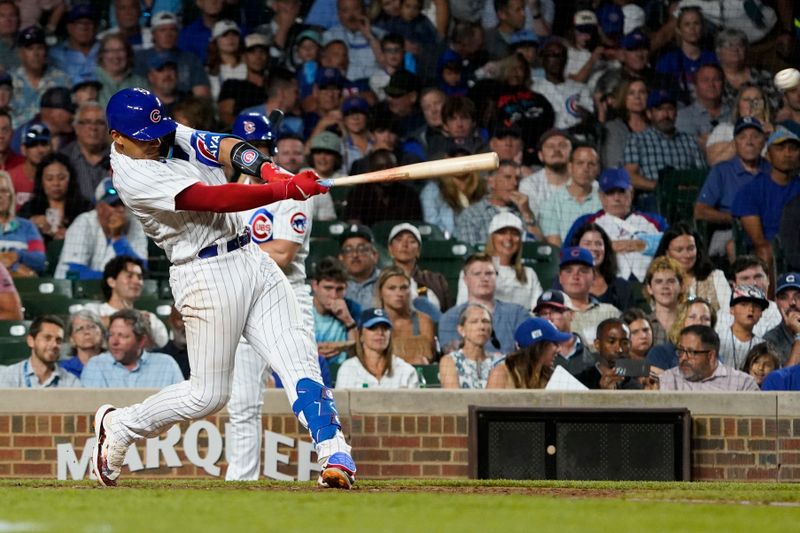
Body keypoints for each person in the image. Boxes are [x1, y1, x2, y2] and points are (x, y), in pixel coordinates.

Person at [90, 87, 354, 490]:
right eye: (144, 137)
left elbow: (219, 144)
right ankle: (121, 424)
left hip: (251, 257)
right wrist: (282, 190)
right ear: (117, 138)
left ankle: (335, 453)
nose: (155, 140)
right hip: (204, 275)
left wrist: (267, 170)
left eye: (156, 130)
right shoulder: (132, 175)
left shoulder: (158, 131)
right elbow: (213, 198)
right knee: (208, 396)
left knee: (300, 363)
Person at [226, 114, 323, 481]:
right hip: (242, 300)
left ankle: (333, 459)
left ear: (272, 149)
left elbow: (281, 254)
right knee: (243, 402)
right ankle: (241, 482)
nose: (251, 154)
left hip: (285, 298)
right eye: (244, 147)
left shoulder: (290, 189)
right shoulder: (225, 190)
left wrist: (228, 254)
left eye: (260, 148)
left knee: (307, 386)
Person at [565, 168, 666, 283]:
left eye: (621, 192)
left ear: (631, 193)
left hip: (650, 285)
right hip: (605, 286)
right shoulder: (586, 222)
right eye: (610, 193)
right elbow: (567, 254)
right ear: (601, 196)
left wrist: (642, 244)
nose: (617, 198)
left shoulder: (656, 221)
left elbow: (673, 245)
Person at [696, 116, 770, 258]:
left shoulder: (771, 170)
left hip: (769, 228)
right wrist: (737, 218)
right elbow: (700, 211)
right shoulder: (721, 171)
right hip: (731, 229)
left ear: (763, 142)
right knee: (733, 245)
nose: (749, 142)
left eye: (755, 137)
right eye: (742, 137)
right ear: (735, 143)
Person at [623, 89, 706, 212]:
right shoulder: (637, 140)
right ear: (649, 113)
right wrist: (661, 187)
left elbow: (702, 175)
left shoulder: (690, 141)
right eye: (660, 109)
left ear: (676, 113)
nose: (666, 114)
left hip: (686, 197)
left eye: (670, 109)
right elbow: (629, 176)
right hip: (653, 197)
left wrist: (685, 188)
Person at [732, 127, 800, 268]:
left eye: (793, 148)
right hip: (770, 248)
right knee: (766, 251)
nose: (787, 154)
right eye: (780, 148)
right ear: (768, 155)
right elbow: (758, 241)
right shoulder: (751, 190)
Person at [55, 177, 147, 280]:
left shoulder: (134, 224)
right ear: (99, 207)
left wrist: (118, 238)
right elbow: (74, 273)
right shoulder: (83, 223)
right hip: (68, 291)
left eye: (123, 204)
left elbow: (141, 269)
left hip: (113, 291)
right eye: (114, 204)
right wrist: (116, 281)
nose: (120, 209)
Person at [438, 252, 530, 355]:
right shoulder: (450, 317)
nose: (484, 279)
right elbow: (453, 357)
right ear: (465, 279)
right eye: (477, 273)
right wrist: (492, 358)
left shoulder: (517, 313)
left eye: (489, 273)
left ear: (496, 277)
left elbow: (526, 355)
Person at [456, 212, 542, 310]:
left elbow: (539, 312)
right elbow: (462, 310)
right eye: (502, 232)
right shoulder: (473, 271)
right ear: (492, 237)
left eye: (514, 233)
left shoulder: (529, 274)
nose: (509, 238)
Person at [82, 255, 169, 350]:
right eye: (129, 276)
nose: (137, 281)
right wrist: (133, 320)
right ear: (112, 282)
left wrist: (146, 329)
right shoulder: (92, 310)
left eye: (140, 277)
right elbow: (84, 333)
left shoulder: (150, 319)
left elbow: (160, 347)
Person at [81, 309, 183, 388]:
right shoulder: (96, 365)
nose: (114, 342)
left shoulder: (166, 366)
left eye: (122, 336)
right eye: (111, 335)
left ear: (141, 341)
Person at [455, 159, 541, 246]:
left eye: (517, 179)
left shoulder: (522, 212)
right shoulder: (472, 215)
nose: (514, 183)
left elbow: (539, 248)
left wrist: (526, 212)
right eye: (508, 177)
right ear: (492, 182)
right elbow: (468, 253)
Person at [653, 222, 731, 313]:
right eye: (679, 250)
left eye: (691, 248)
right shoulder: (658, 282)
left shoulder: (716, 277)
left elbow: (728, 315)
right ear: (667, 252)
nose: (687, 255)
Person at [656, 325, 759, 391]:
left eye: (691, 352)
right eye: (681, 351)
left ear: (711, 356)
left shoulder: (742, 384)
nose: (683, 358)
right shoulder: (668, 379)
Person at [334, 308, 419, 389]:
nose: (380, 333)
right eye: (373, 328)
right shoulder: (348, 369)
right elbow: (342, 403)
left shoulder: (406, 371)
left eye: (385, 328)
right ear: (360, 335)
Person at [19, 152, 92, 245]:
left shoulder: (84, 208)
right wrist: (30, 224)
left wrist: (71, 235)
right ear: (41, 181)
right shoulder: (29, 209)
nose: (56, 183)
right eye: (49, 179)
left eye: (61, 178)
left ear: (70, 179)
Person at [565, 222, 637, 311]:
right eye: (587, 243)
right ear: (576, 249)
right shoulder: (564, 282)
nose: (594, 248)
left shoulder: (622, 287)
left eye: (598, 244)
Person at [539, 144, 602, 246]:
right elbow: (556, 248)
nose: (585, 169)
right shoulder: (551, 204)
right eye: (580, 163)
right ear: (570, 167)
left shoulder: (605, 200)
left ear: (598, 169)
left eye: (591, 164)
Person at [9, 25, 71, 126]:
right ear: (20, 53)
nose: (36, 53)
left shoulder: (61, 80)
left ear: (46, 52)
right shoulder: (9, 81)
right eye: (30, 49)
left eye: (40, 48)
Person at [557, 246, 620, 344]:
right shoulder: (548, 315)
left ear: (593, 277)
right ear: (560, 277)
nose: (575, 276)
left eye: (583, 271)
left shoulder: (610, 313)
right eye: (569, 271)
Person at [386, 222, 452, 315]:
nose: (405, 244)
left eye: (412, 241)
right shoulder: (381, 280)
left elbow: (448, 315)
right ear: (390, 249)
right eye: (399, 240)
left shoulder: (436, 280)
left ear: (418, 251)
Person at [420, 147, 486, 238]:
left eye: (464, 161)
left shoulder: (482, 188)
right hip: (446, 244)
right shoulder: (432, 190)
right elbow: (431, 223)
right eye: (456, 161)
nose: (460, 165)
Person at [486, 317, 570, 389]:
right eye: (555, 343)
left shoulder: (551, 377)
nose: (559, 349)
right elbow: (488, 407)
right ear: (539, 347)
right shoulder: (502, 373)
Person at [374, 266, 435, 364]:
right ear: (381, 292)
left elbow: (428, 358)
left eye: (404, 288)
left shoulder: (424, 320)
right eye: (392, 288)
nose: (399, 293)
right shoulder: (371, 322)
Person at [0, 315, 79, 388]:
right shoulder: (9, 376)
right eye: (47, 338)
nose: (54, 345)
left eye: (58, 340)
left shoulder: (71, 383)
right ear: (31, 341)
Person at [705, 84, 774, 166]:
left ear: (764, 105)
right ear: (738, 105)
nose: (752, 104)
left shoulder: (778, 131)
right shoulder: (723, 129)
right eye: (747, 100)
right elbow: (714, 163)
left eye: (757, 100)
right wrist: (744, 138)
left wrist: (773, 138)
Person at [439, 303, 501, 389]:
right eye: (474, 322)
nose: (481, 327)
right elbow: (453, 399)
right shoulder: (450, 361)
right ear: (461, 330)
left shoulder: (499, 362)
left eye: (485, 321)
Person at [310, 256, 360, 365]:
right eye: (328, 288)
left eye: (340, 289)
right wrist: (311, 352)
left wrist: (348, 320)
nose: (334, 295)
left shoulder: (353, 308)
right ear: (315, 286)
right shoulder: (300, 308)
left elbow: (358, 356)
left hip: (343, 374)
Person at [59, 101, 111, 203]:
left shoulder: (119, 158)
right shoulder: (63, 158)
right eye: (87, 122)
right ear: (76, 127)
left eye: (99, 123)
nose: (93, 128)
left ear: (106, 128)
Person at [533, 289, 594, 376]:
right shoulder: (534, 355)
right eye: (543, 314)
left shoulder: (592, 350)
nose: (548, 318)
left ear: (572, 315)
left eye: (555, 311)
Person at [647, 297, 717, 371]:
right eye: (692, 317)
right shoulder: (660, 354)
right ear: (681, 322)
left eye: (705, 318)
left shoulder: (715, 357)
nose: (699, 322)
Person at [519, 129, 571, 223]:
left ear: (572, 153)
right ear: (540, 156)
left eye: (562, 145)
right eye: (550, 146)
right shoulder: (529, 185)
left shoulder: (588, 185)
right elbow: (532, 224)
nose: (556, 150)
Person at [576, 318, 643, 390]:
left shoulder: (637, 379)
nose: (619, 349)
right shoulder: (580, 381)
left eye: (625, 343)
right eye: (611, 342)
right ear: (597, 344)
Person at [0, 170, 45, 276]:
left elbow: (40, 260)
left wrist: (17, 256)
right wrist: (16, 267)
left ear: (11, 195)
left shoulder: (27, 227)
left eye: (4, 191)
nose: (0, 196)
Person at [601, 78, 649, 169]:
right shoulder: (613, 128)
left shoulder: (655, 127)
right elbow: (613, 164)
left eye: (642, 92)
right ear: (623, 97)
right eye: (631, 93)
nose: (637, 97)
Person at [47, 3, 100, 85]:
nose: (84, 27)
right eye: (79, 23)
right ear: (69, 27)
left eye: (89, 22)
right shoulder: (55, 54)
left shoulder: (106, 50)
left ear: (96, 27)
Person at [717, 285, 768, 369]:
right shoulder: (717, 340)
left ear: (761, 313)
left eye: (756, 305)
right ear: (732, 310)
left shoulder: (764, 346)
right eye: (744, 304)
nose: (751, 309)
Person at [95, 32, 148, 109]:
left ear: (128, 54)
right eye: (110, 50)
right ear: (101, 54)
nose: (116, 56)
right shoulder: (90, 80)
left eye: (121, 50)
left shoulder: (140, 83)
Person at [643, 256, 687, 347]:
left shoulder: (690, 322)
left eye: (671, 281)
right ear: (649, 288)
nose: (665, 286)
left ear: (681, 286)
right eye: (659, 282)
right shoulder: (643, 325)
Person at [9, 122, 52, 211]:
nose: (40, 150)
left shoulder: (57, 179)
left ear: (50, 147)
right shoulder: (10, 179)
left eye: (44, 144)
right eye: (33, 144)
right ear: (23, 149)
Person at [337, 223, 380, 311]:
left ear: (374, 255)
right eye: (348, 250)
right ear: (340, 257)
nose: (355, 255)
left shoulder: (387, 281)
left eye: (362, 249)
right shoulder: (333, 284)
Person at [763, 273, 800, 367]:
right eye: (784, 298)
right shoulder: (770, 340)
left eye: (798, 297)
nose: (792, 303)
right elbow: (784, 380)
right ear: (776, 302)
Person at [206, 20, 246, 101]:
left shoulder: (249, 67)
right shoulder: (208, 72)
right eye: (225, 35)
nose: (231, 38)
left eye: (234, 34)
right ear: (215, 41)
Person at [59, 309, 105, 378]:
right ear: (72, 340)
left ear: (102, 334)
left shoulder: (116, 366)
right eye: (80, 329)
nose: (86, 332)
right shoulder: (63, 369)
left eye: (91, 327)